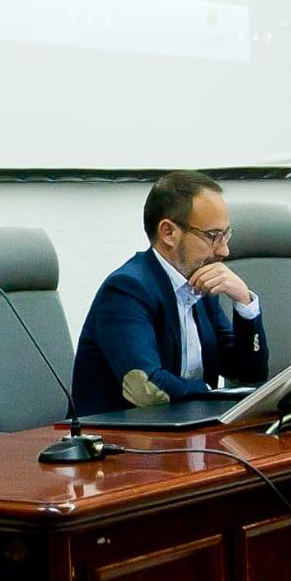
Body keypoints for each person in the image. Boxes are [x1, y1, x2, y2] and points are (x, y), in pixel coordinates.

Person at [71, 170, 270, 415]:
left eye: (226, 235)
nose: (225, 251)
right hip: (120, 441)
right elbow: (148, 387)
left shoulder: (202, 286)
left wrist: (244, 302)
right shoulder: (127, 290)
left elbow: (249, 375)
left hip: (184, 432)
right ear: (168, 233)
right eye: (213, 236)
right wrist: (210, 391)